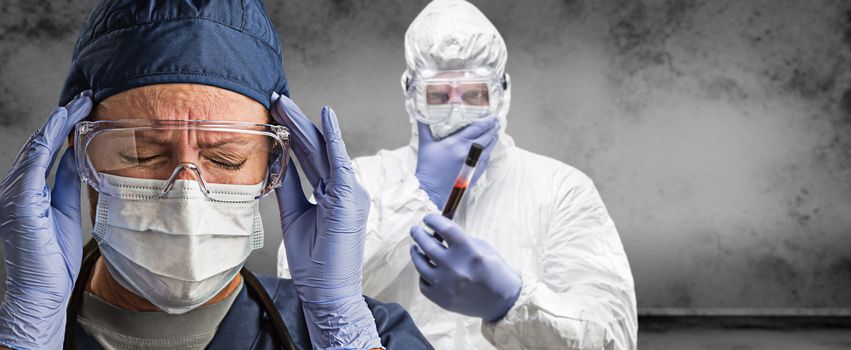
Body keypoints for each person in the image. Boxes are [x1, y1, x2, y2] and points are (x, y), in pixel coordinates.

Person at [0, 1, 432, 349]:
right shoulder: (15, 331)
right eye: (143, 152)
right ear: (80, 156)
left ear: (272, 167)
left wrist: (342, 328)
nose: (186, 195)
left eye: (226, 159)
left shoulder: (378, 335)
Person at [277, 0, 638, 348]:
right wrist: (419, 193)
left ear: (503, 92)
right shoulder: (360, 182)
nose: (456, 111)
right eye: (438, 95)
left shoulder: (560, 190)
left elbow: (613, 336)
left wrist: (512, 303)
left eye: (474, 94)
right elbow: (298, 301)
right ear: (410, 92)